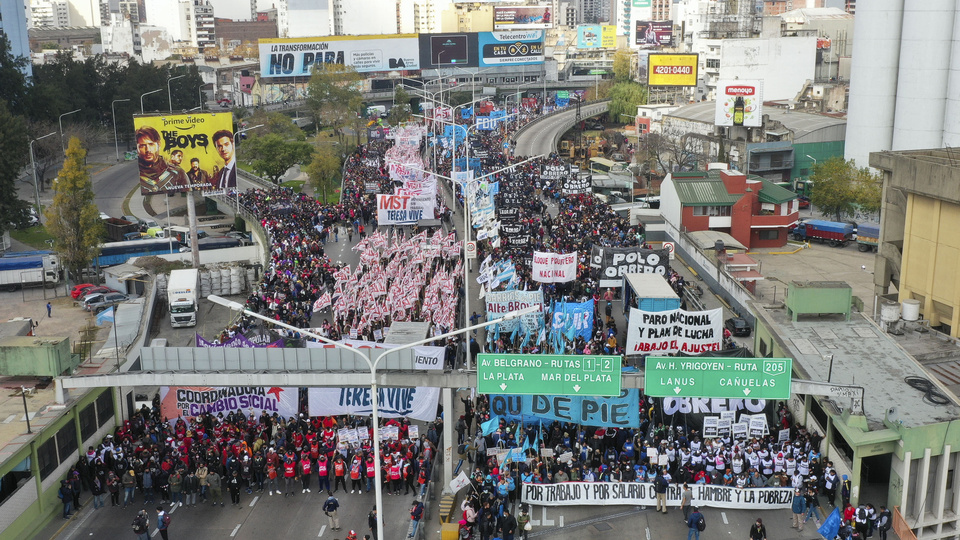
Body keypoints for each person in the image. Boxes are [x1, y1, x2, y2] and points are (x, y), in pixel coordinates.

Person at [136, 126, 171, 192]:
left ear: (159, 145)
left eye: (151, 144)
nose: (148, 150)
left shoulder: (176, 173)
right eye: (142, 146)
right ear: (137, 148)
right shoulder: (137, 174)